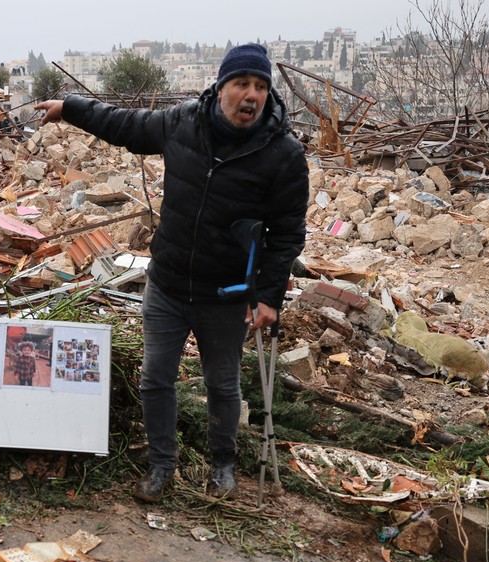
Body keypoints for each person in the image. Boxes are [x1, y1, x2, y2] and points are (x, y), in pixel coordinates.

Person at [35, 43, 308, 502]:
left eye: (260, 86)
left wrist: (268, 297)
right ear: (221, 87)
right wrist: (70, 108)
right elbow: (124, 124)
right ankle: (162, 465)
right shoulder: (184, 123)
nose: (251, 95)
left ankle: (223, 466)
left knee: (223, 384)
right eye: (242, 83)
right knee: (155, 378)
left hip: (226, 292)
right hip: (168, 282)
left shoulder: (283, 155)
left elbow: (287, 235)